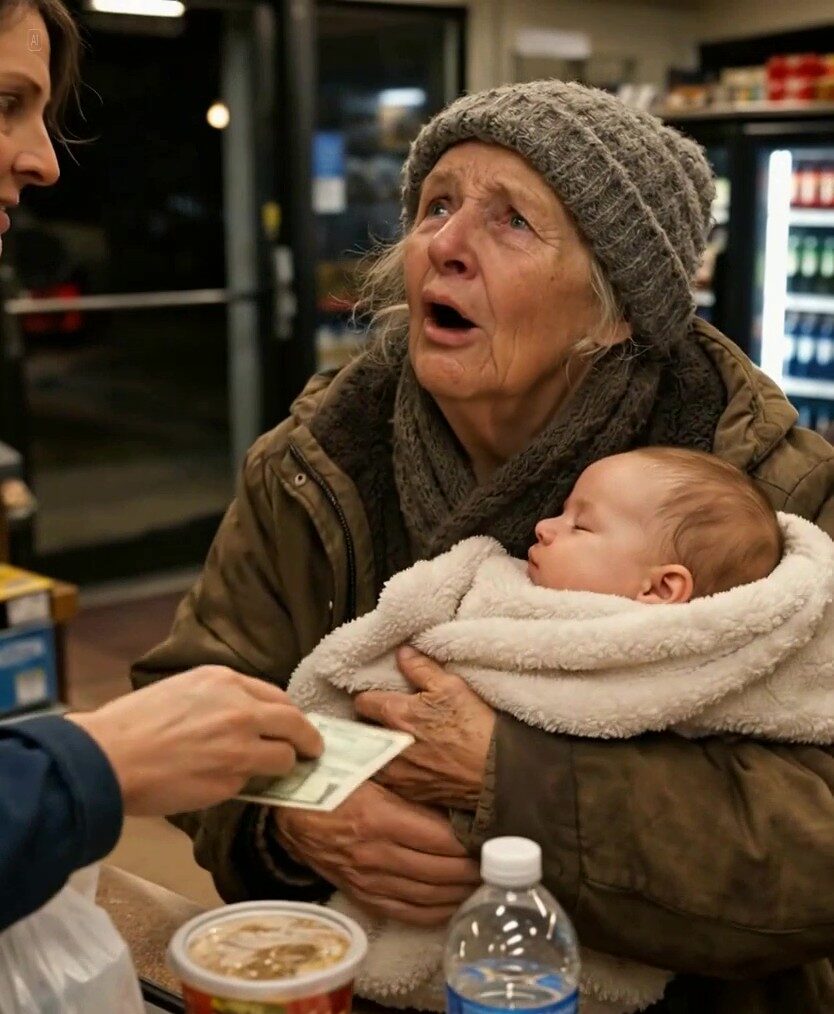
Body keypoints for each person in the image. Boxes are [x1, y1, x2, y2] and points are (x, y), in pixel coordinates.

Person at [133, 81, 834, 1010]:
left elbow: (813, 844)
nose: (444, 246)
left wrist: (518, 785)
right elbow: (192, 696)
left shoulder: (771, 493)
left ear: (616, 307)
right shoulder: (317, 462)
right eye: (436, 207)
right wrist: (292, 818)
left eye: (511, 221)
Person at [283, 445, 832, 1013]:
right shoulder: (312, 448)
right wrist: (284, 803)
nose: (544, 528)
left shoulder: (712, 656)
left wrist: (507, 770)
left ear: (661, 590)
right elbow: (227, 699)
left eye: (580, 524)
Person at [0, 0, 323, 933]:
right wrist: (90, 766)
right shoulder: (306, 457)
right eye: (3, 104)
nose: (45, 160)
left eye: (511, 221)